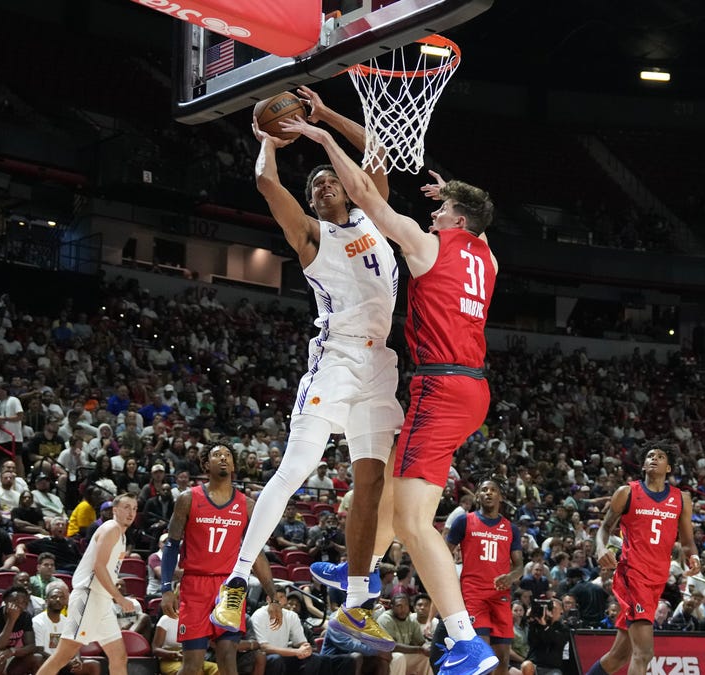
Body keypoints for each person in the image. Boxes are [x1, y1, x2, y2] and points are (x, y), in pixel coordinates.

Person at [285, 109, 501, 675]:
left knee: (411, 519)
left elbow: (362, 193)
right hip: (473, 391)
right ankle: (365, 568)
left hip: (441, 386)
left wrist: (323, 137)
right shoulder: (489, 258)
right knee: (391, 491)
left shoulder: (426, 247)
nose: (432, 213)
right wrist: (453, 193)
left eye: (441, 209)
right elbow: (478, 218)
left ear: (456, 219)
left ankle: (465, 640)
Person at [212, 87, 403, 654]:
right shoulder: (312, 235)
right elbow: (268, 186)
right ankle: (237, 579)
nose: (320, 188)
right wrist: (268, 144)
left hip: (381, 362)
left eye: (327, 182)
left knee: (371, 483)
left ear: (345, 187)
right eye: (313, 186)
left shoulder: (374, 215)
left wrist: (322, 118)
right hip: (337, 356)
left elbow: (376, 154)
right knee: (297, 468)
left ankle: (357, 604)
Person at [158, 445, 280, 675]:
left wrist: (273, 596)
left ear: (233, 465)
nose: (223, 458)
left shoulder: (247, 505)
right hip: (195, 586)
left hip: (230, 589)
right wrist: (166, 588)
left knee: (227, 659)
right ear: (206, 464)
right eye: (217, 455)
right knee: (192, 664)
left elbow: (257, 554)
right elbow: (172, 544)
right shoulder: (188, 499)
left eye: (228, 456)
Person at [581, 442, 700, 675]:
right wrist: (601, 548)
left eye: (661, 456)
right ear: (644, 465)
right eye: (650, 456)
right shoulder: (627, 492)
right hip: (632, 575)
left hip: (657, 579)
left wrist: (692, 556)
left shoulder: (681, 499)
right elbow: (604, 528)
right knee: (644, 653)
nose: (654, 458)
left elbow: (687, 541)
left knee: (619, 655)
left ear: (669, 468)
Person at [31, 494, 139, 675]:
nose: (131, 512)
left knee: (119, 657)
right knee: (63, 656)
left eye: (135, 508)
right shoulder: (111, 528)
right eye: (126, 507)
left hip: (101, 600)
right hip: (89, 596)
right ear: (115, 510)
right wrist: (119, 598)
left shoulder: (121, 536)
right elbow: (99, 567)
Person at [444, 480, 522, 675]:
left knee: (502, 658)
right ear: (477, 496)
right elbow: (444, 553)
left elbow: (520, 566)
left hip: (500, 597)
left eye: (493, 490)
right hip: (473, 595)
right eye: (484, 490)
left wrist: (511, 576)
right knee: (481, 657)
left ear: (500, 497)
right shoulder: (464, 521)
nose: (488, 493)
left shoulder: (511, 528)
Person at [31, 582, 100, 675]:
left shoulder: (68, 622)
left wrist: (77, 659)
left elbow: (74, 645)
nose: (58, 600)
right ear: (46, 601)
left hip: (66, 662)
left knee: (93, 665)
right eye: (54, 597)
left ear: (65, 602)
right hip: (48, 661)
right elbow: (39, 650)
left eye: (61, 597)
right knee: (38, 658)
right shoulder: (37, 621)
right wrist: (63, 662)